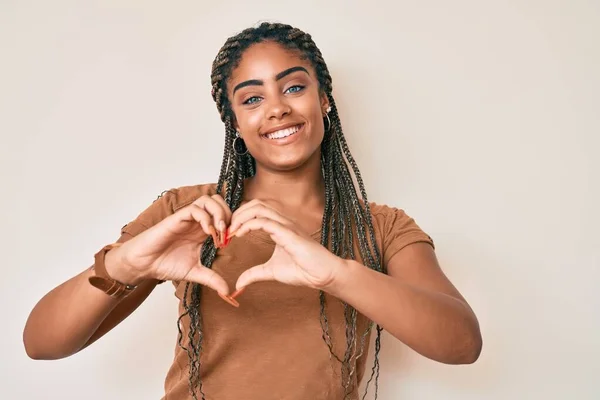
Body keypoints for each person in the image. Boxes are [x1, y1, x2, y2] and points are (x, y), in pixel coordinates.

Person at [23, 22, 482, 400]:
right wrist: (125, 264)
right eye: (252, 98)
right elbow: (42, 343)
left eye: (294, 87)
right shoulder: (189, 214)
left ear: (324, 99)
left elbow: (462, 343)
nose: (278, 109)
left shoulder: (381, 227)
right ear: (235, 122)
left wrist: (336, 273)